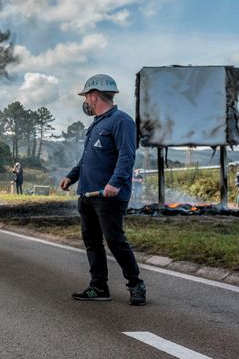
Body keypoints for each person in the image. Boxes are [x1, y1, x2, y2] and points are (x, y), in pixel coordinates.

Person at [59, 74, 146, 306]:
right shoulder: (96, 124)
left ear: (94, 96)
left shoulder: (121, 121)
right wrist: (72, 176)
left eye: (86, 97)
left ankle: (136, 284)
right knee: (92, 242)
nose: (85, 102)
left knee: (114, 240)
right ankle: (98, 287)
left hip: (108, 196)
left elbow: (127, 156)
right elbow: (87, 159)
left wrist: (115, 183)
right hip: (87, 194)